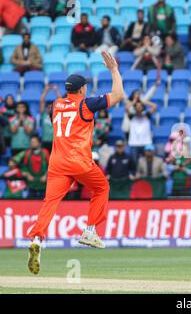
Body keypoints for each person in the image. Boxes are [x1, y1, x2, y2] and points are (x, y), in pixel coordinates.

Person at [26, 51, 125, 275]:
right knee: (101, 187)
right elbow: (118, 95)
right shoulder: (86, 104)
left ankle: (36, 240)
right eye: (85, 87)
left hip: (57, 162)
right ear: (81, 90)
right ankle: (89, 230)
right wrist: (114, 70)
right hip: (78, 161)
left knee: (49, 202)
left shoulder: (57, 105)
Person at [126, 100, 155, 164]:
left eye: (140, 106)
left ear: (143, 107)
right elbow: (127, 107)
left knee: (147, 162)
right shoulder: (132, 116)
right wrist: (134, 101)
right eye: (137, 106)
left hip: (146, 143)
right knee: (134, 162)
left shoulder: (147, 115)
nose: (139, 107)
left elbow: (154, 106)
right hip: (134, 143)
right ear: (135, 107)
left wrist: (142, 101)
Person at [39, 85, 61, 153]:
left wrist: (56, 90)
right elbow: (42, 102)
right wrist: (45, 91)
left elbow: (61, 101)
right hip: (45, 141)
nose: (50, 109)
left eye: (52, 107)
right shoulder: (44, 114)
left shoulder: (58, 114)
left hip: (56, 141)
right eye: (48, 107)